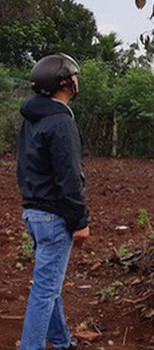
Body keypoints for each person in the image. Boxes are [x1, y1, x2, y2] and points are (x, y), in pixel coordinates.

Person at [17, 53, 90, 350]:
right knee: (45, 290)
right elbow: (69, 177)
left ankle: (61, 342)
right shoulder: (61, 122)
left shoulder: (32, 120)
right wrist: (80, 220)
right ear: (64, 83)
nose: (76, 80)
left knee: (51, 285)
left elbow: (24, 168)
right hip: (54, 217)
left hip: (33, 214)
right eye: (74, 76)